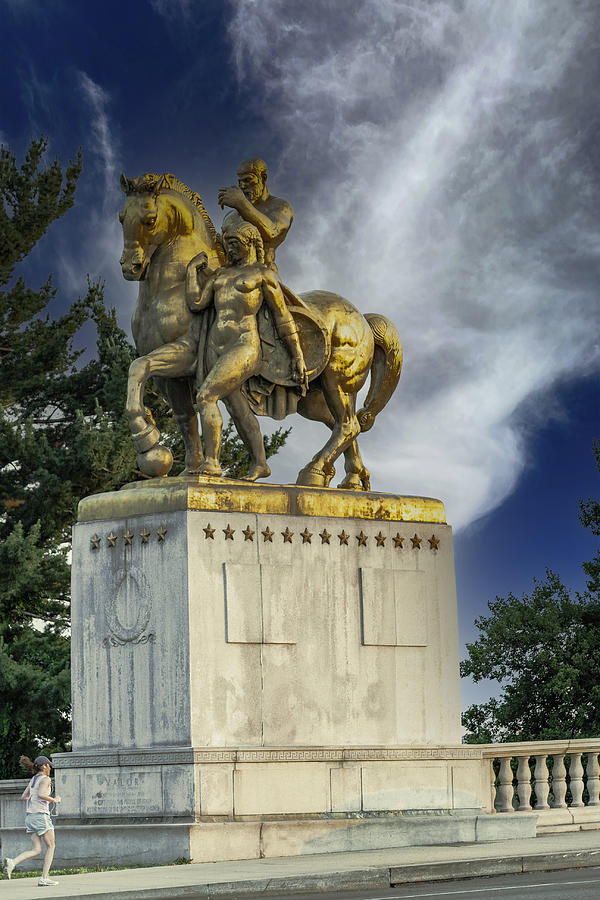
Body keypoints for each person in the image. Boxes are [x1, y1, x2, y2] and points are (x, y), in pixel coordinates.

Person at [186, 221, 308, 478]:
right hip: (215, 347)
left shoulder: (263, 275)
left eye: (234, 244)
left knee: (205, 397)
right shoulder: (220, 274)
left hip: (245, 346)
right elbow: (197, 303)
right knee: (238, 409)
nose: (229, 250)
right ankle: (261, 463)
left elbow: (282, 317)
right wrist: (191, 272)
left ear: (250, 243)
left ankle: (211, 463)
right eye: (227, 244)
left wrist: (297, 355)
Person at [218, 158, 293, 273]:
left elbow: (273, 232)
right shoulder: (231, 216)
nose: (242, 186)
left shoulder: (280, 206)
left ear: (263, 178)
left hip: (263, 273)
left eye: (247, 180)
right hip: (228, 273)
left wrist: (242, 204)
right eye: (240, 182)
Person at [3, 755, 62, 886]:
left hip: (30, 817)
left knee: (37, 849)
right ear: (44, 766)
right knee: (51, 846)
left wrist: (35, 797)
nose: (50, 769)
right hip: (41, 816)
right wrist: (54, 800)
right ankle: (44, 878)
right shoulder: (45, 779)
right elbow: (41, 794)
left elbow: (24, 796)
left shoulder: (34, 779)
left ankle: (12, 862)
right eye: (49, 766)